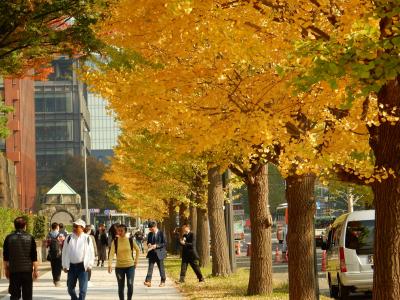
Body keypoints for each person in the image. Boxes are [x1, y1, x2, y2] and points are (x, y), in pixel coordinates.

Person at [3, 216, 39, 300]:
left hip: (14, 271)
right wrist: (36, 270)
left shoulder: (9, 238)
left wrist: (6, 270)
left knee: (14, 295)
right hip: (27, 271)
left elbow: (5, 257)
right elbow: (34, 256)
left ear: (14, 226)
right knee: (27, 296)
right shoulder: (30, 237)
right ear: (25, 226)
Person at [62, 219, 95, 300]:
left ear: (82, 228)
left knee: (83, 290)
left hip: (83, 267)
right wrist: (64, 265)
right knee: (70, 289)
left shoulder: (87, 238)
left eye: (77, 226)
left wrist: (90, 265)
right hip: (72, 267)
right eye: (74, 226)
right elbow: (64, 252)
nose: (74, 228)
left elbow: (91, 252)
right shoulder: (69, 238)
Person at [108, 224, 140, 300]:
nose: (119, 232)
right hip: (119, 268)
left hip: (130, 266)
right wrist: (110, 264)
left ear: (125, 231)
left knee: (130, 284)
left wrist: (136, 261)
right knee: (121, 286)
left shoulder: (130, 240)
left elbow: (138, 250)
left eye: (121, 230)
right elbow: (111, 254)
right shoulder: (115, 241)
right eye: (118, 230)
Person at [144, 221, 167, 287]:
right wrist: (149, 244)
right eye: (150, 229)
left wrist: (156, 246)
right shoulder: (150, 234)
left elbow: (164, 243)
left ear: (155, 227)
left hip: (159, 253)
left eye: (151, 229)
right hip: (152, 253)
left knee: (161, 268)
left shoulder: (161, 233)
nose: (150, 230)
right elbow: (148, 242)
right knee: (150, 268)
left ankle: (163, 281)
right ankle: (148, 281)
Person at [47, 222, 65, 287]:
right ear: (57, 227)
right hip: (59, 253)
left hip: (51, 254)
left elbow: (47, 245)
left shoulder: (49, 235)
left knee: (53, 267)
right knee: (58, 267)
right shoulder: (60, 235)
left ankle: (54, 280)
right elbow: (63, 244)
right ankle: (57, 280)